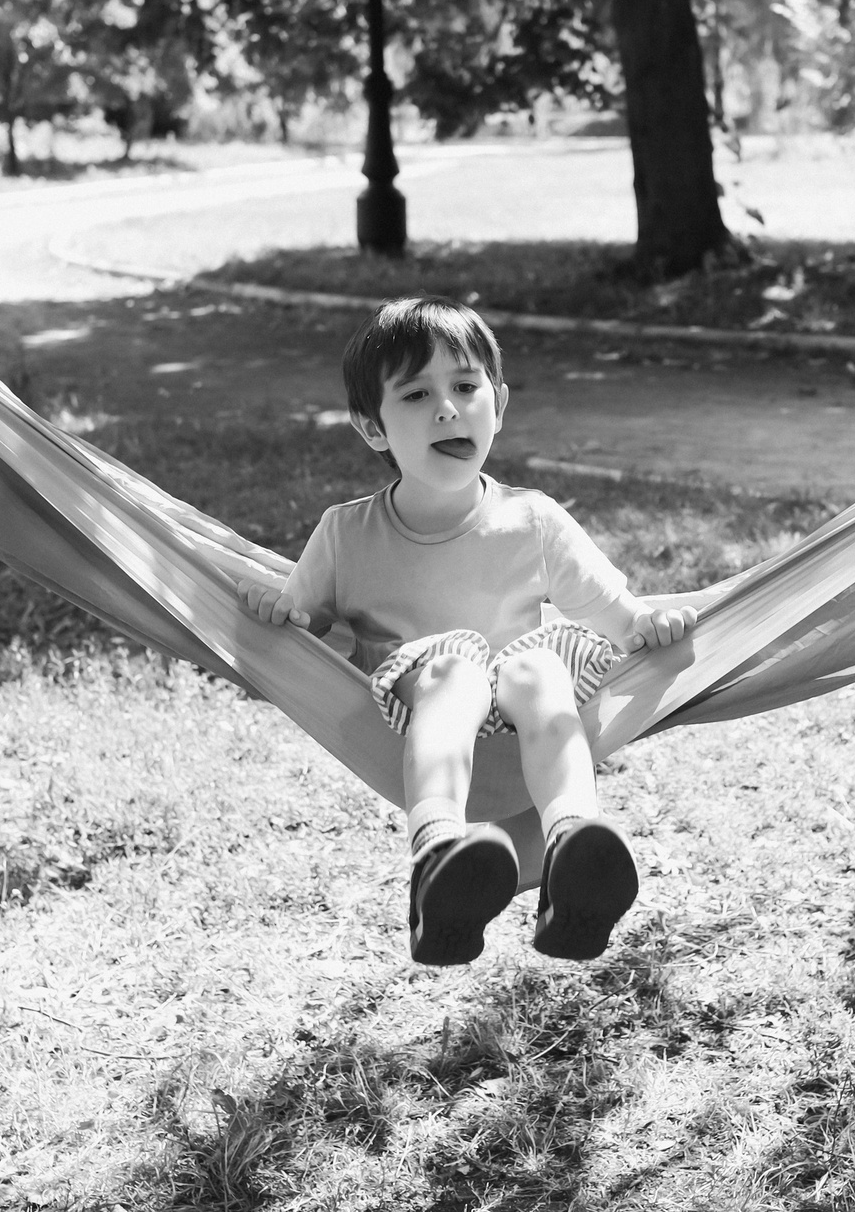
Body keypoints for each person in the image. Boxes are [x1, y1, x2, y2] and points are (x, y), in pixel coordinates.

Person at [237, 296, 696, 966]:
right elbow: (302, 625)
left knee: (540, 668)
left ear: (499, 404)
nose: (447, 408)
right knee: (454, 672)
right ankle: (437, 855)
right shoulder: (345, 534)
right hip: (423, 721)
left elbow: (616, 614)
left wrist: (648, 623)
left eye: (464, 385)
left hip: (520, 735)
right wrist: (280, 614)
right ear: (373, 429)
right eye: (418, 393)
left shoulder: (533, 522)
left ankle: (572, 846)